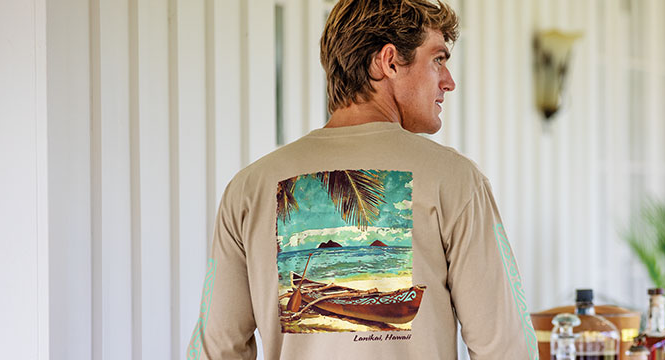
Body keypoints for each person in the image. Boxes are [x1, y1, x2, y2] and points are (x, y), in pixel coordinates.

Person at [186, 0, 534, 358]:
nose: (449, 81)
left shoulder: (248, 189)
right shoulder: (455, 180)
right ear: (389, 62)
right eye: (438, 59)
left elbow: (217, 350)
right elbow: (506, 349)